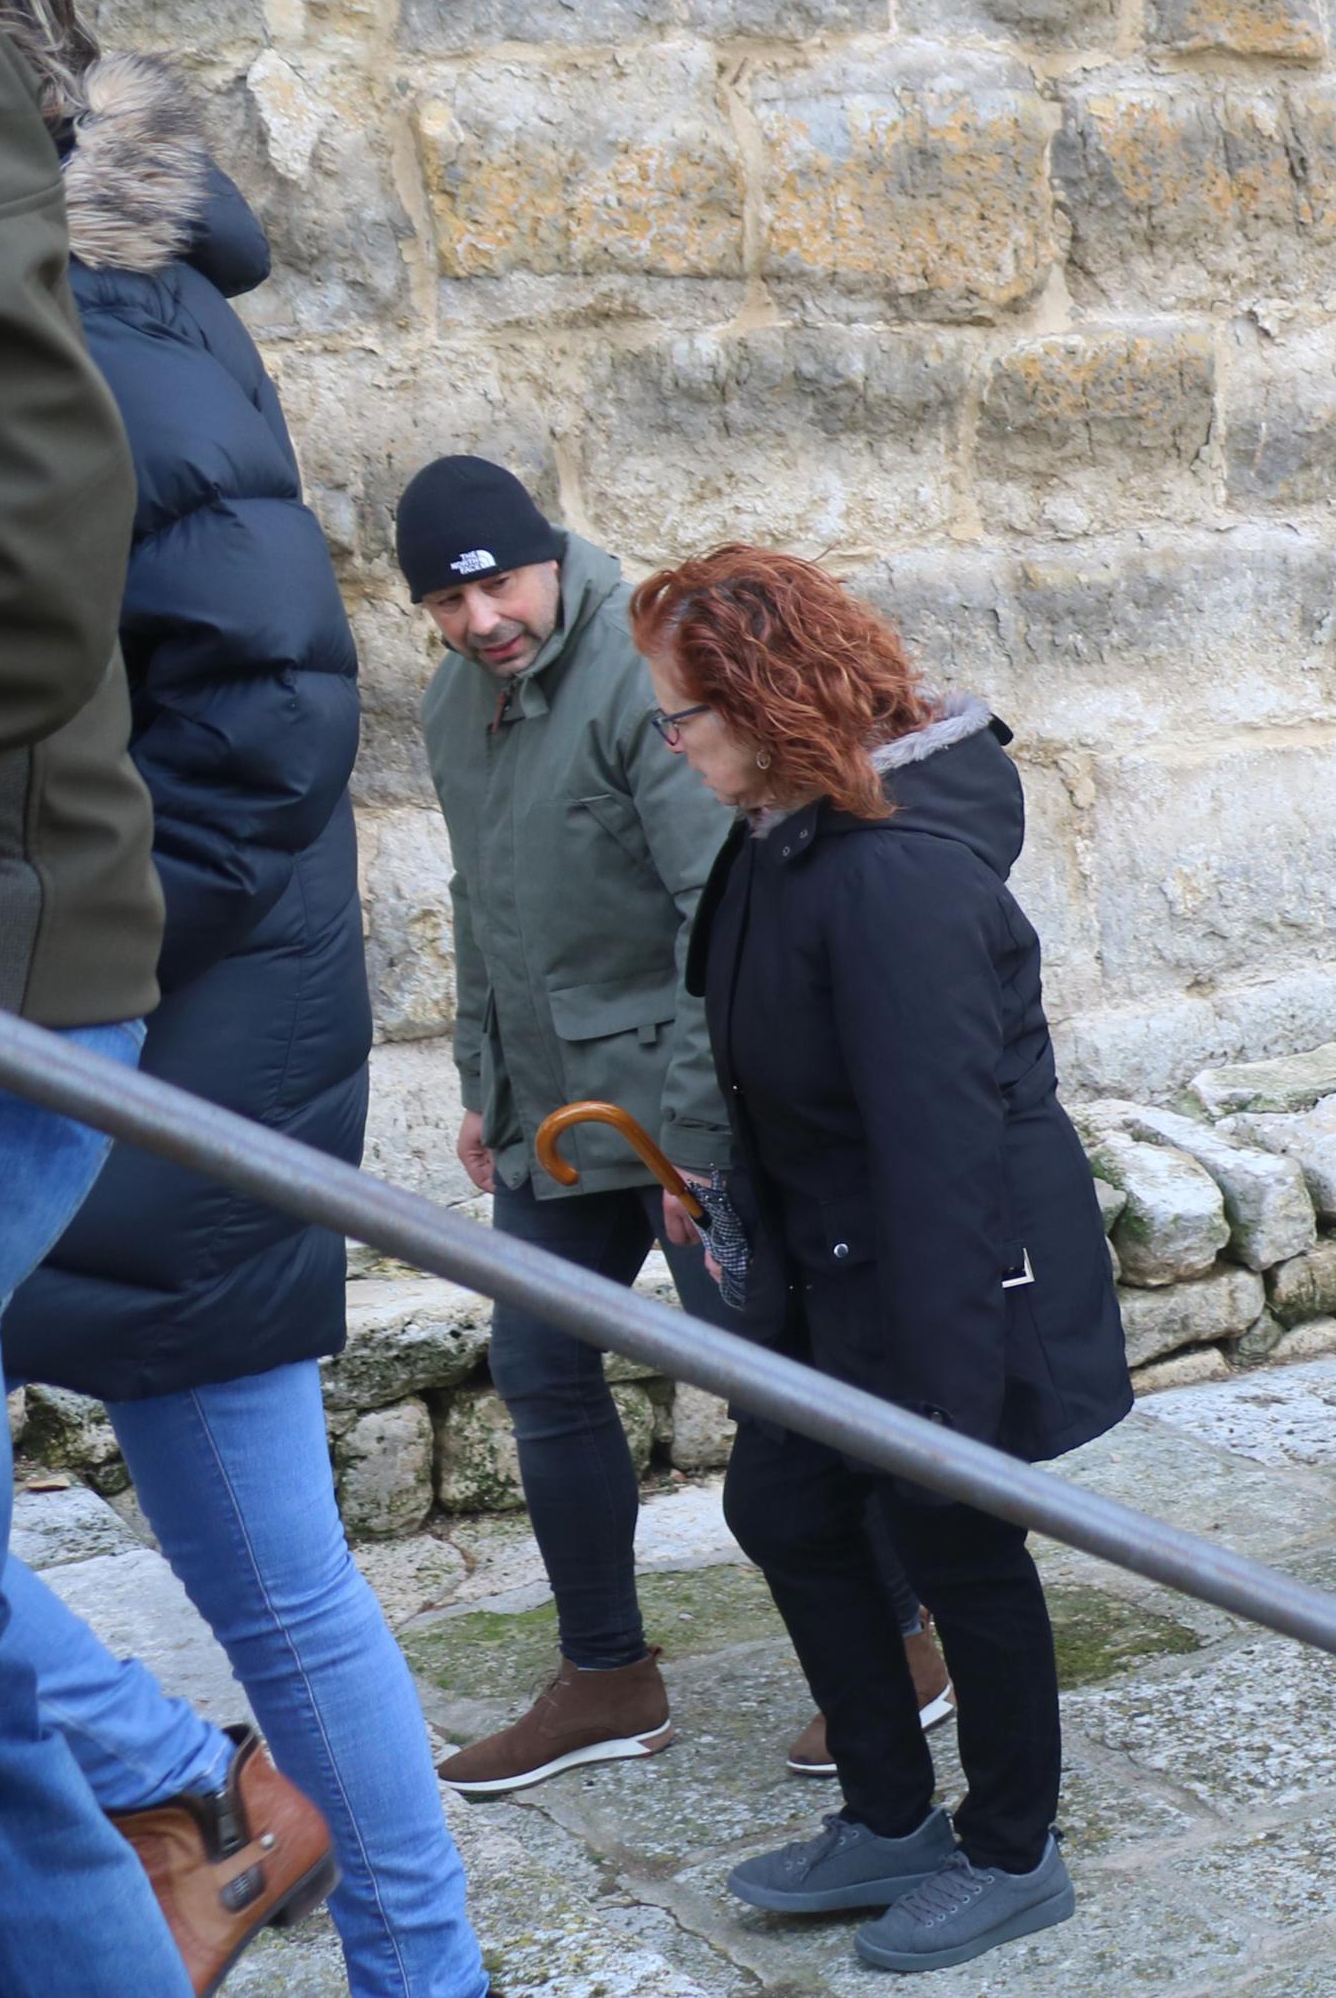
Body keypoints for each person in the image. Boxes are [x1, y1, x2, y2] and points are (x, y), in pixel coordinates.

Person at [0, 0, 475, 1998]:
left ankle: (400, 1949)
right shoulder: (91, 277)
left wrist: (96, 996)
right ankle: (197, 1797)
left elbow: (262, 726)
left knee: (276, 1580)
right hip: (119, 1010)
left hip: (175, 1040)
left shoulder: (122, 314)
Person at [403, 458, 939, 1793]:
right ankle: (607, 1674)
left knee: (766, 1377)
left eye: (500, 587)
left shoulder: (642, 675)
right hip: (560, 1102)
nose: (480, 623)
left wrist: (704, 1141)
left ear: (546, 559)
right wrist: (483, 1074)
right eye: (446, 603)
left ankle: (905, 1642)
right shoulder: (449, 703)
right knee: (537, 1362)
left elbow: (724, 915)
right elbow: (480, 900)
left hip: (685, 1109)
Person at [634, 547, 1128, 1972]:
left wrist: (951, 1400)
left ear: (760, 697)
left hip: (931, 1278)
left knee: (956, 1539)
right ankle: (890, 1810)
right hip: (825, 1268)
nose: (669, 743)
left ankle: (1013, 1846)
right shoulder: (775, 838)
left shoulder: (893, 878)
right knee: (787, 1506)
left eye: (683, 714)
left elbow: (940, 1156)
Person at [0, 0, 197, 1998]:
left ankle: (222, 1802)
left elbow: (30, 583)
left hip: (7, 962)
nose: (475, 608)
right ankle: (201, 1790)